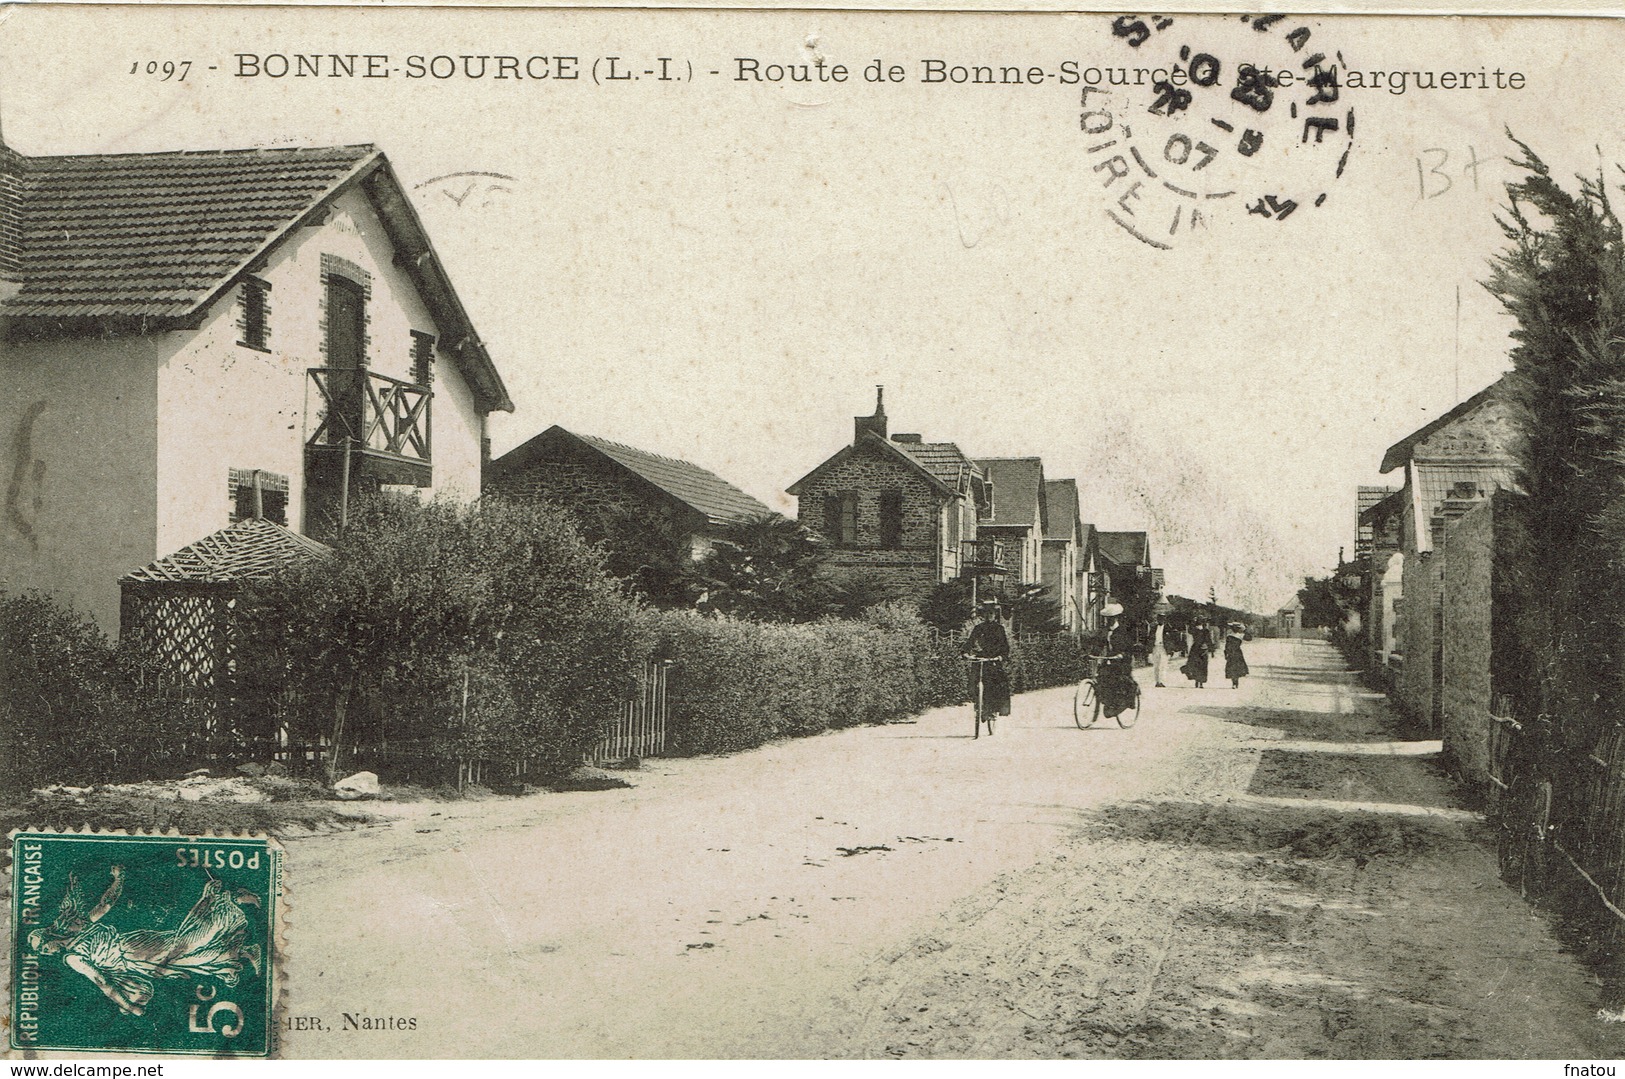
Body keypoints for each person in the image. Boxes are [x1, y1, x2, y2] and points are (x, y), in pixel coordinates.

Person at [28, 866, 263, 1017]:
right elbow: (105, 906)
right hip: (135, 955)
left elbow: (100, 979)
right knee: (189, 958)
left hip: (134, 951)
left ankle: (228, 900)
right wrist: (119, 878)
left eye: (43, 947)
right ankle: (244, 951)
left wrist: (130, 1007)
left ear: (48, 936)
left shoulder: (72, 956)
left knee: (185, 947)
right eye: (42, 953)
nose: (46, 953)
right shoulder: (75, 930)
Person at [963, 599, 1012, 718]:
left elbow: (1005, 646)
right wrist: (965, 653)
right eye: (986, 614)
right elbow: (970, 642)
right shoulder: (978, 628)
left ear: (994, 615)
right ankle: (978, 704)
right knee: (972, 682)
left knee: (999, 683)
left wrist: (1001, 656)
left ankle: (995, 708)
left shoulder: (999, 628)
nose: (988, 616)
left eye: (991, 614)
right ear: (983, 615)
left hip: (994, 659)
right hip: (981, 659)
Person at [1097, 602, 1138, 719]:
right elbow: (1099, 644)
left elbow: (1130, 647)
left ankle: (1123, 703)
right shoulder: (1105, 631)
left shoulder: (1124, 631)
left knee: (1120, 681)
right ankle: (1108, 703)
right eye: (1107, 618)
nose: (1108, 620)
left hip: (1123, 661)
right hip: (1110, 659)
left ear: (1116, 618)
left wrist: (1122, 655)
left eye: (1111, 618)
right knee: (1101, 678)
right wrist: (1092, 654)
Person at [1181, 618, 1211, 688]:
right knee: (1199, 665)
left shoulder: (1203, 630)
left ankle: (1199, 682)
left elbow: (1208, 640)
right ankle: (1199, 682)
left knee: (1199, 665)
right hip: (1200, 648)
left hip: (1199, 648)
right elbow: (1209, 640)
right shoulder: (1199, 630)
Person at [1225, 621, 1250, 689]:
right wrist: (1226, 653)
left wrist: (1245, 630)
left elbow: (1249, 638)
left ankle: (1236, 683)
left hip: (1237, 653)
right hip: (1231, 653)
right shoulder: (1229, 635)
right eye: (1234, 628)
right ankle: (1234, 683)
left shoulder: (1240, 635)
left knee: (1237, 668)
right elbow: (1227, 646)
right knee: (1232, 668)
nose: (1235, 629)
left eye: (1236, 628)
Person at [1150, 614, 1169, 688]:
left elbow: (1170, 639)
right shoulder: (1153, 628)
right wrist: (1149, 649)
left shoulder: (1168, 628)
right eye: (1159, 619)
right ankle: (1157, 681)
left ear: (1164, 620)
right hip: (1155, 647)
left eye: (1162, 619)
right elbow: (1150, 638)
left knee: (1163, 665)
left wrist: (1170, 650)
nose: (1160, 620)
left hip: (1163, 648)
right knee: (1156, 665)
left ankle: (1162, 681)